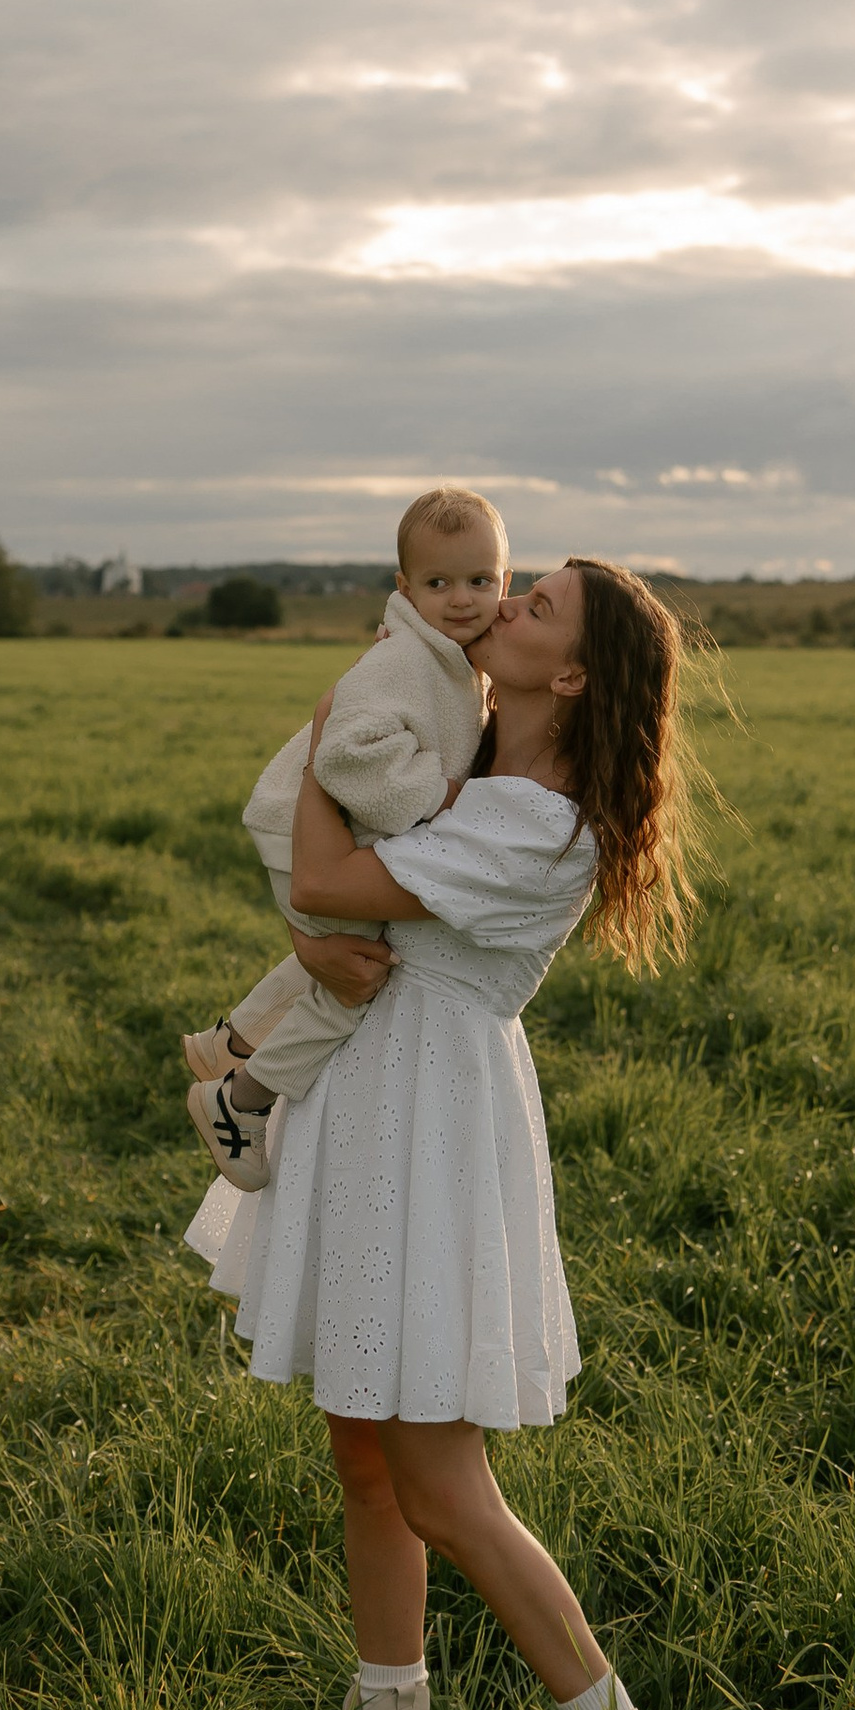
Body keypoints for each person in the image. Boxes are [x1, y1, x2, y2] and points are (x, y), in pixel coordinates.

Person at [183, 554, 711, 1710]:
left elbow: (322, 881)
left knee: (440, 1478)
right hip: (370, 1102)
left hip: (432, 1122)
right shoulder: (464, 761)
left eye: (537, 606)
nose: (504, 604)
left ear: (571, 673)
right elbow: (333, 907)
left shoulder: (541, 822)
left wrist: (326, 736)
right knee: (362, 1452)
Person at [181, 487, 506, 1191]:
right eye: (438, 582)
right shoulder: (402, 661)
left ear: (506, 580)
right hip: (304, 830)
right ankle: (239, 1100)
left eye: (480, 580)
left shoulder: (451, 660)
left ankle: (228, 1041)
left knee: (335, 952)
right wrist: (441, 796)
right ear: (404, 587)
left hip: (315, 828)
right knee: (353, 978)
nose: (461, 599)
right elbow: (348, 757)